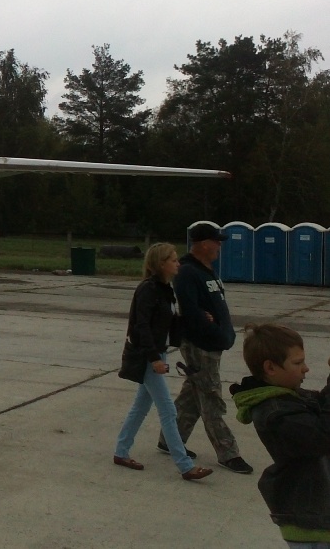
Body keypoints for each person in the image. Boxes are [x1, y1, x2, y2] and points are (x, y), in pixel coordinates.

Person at [157, 222, 253, 473]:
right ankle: (228, 453)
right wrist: (213, 331)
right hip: (200, 344)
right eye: (215, 241)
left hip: (213, 341)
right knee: (210, 396)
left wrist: (223, 333)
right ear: (202, 244)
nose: (219, 245)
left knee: (193, 392)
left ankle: (169, 439)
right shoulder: (188, 272)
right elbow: (190, 311)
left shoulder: (207, 270)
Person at [114, 243, 213, 481]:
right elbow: (142, 326)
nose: (178, 264)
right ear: (161, 264)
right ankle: (185, 466)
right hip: (148, 356)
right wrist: (154, 359)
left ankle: (121, 451)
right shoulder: (148, 290)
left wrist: (198, 317)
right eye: (173, 260)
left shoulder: (166, 289)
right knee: (168, 410)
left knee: (140, 406)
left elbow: (171, 323)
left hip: (157, 353)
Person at [231, 323, 330, 546]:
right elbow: (324, 436)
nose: (306, 368)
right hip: (310, 524)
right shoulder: (275, 412)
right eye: (297, 363)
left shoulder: (288, 397)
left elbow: (321, 405)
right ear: (270, 367)